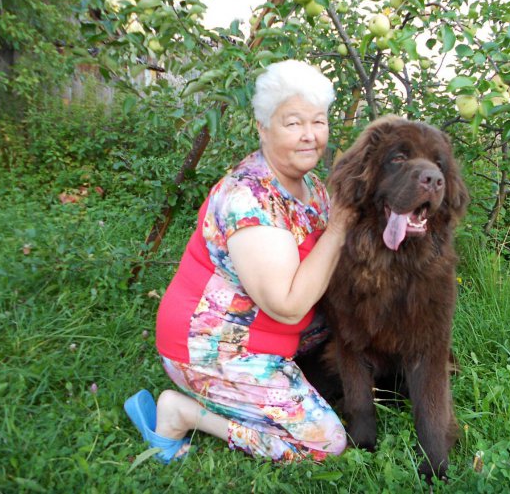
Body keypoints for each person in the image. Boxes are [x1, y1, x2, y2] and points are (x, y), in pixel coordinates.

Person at [124, 59, 351, 464]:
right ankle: (183, 413)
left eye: (318, 122)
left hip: (276, 339)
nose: (309, 136)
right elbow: (287, 305)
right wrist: (338, 231)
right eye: (293, 123)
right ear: (263, 128)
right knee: (325, 444)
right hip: (216, 347)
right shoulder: (251, 197)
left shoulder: (313, 186)